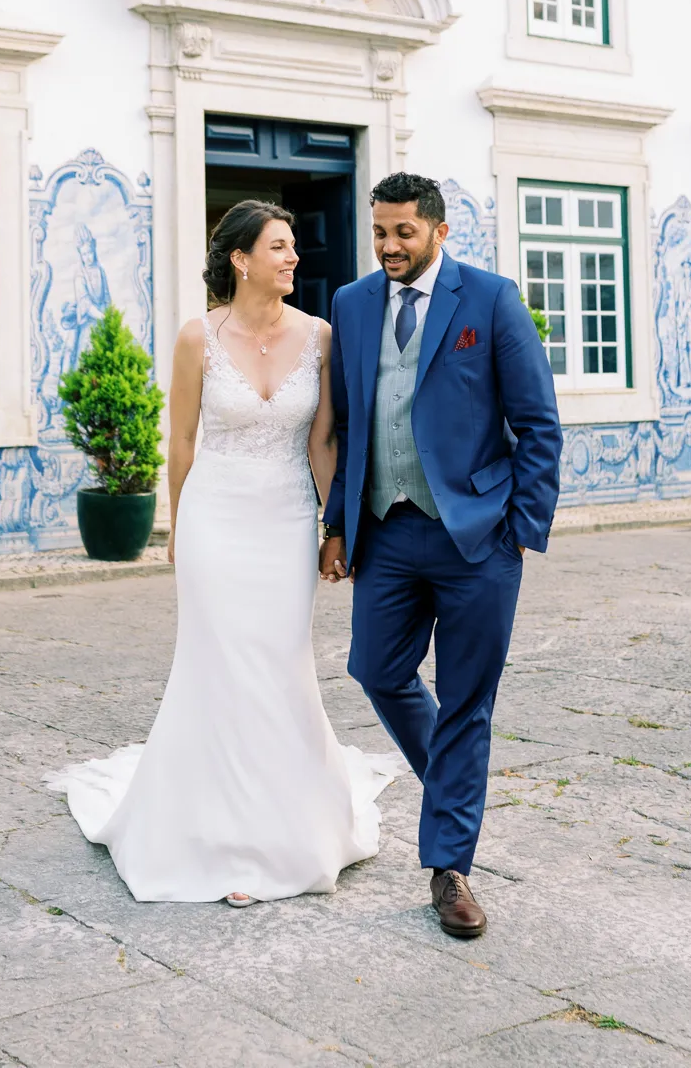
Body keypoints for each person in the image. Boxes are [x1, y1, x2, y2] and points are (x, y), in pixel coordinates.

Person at [47, 199, 403, 903]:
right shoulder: (195, 339)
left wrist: (336, 528)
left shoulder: (323, 336)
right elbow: (180, 442)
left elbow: (321, 442)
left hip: (287, 520)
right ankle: (221, 836)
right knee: (220, 662)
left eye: (294, 245)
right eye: (279, 246)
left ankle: (287, 825)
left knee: (278, 661)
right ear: (242, 260)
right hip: (216, 516)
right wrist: (179, 526)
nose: (293, 257)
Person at [320, 173, 562, 939]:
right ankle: (454, 786)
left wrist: (521, 525)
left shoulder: (489, 300)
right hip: (387, 531)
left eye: (404, 233)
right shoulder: (352, 305)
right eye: (380, 232)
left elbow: (538, 422)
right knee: (375, 669)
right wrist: (338, 524)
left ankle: (449, 868)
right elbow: (351, 427)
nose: (389, 246)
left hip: (476, 536)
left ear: (437, 229)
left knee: (466, 700)